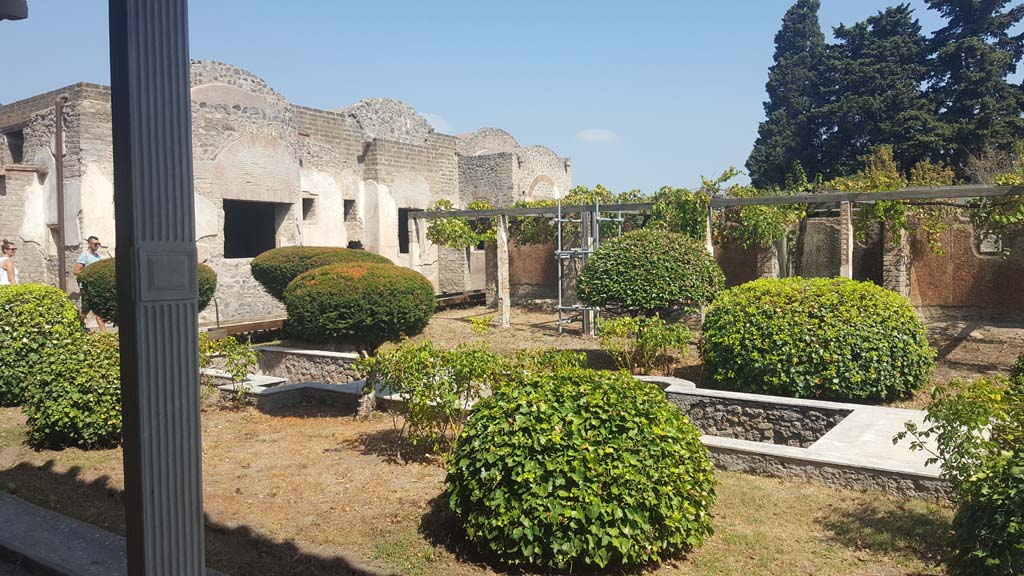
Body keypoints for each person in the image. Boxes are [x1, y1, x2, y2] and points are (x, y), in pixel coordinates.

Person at [73, 236, 107, 332]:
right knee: (86, 309)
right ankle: (77, 328)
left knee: (99, 310)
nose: (97, 246)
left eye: (99, 244)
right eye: (95, 244)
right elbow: (76, 271)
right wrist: (90, 275)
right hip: (86, 287)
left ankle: (104, 335)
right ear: (89, 244)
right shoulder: (84, 255)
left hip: (96, 287)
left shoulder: (96, 256)